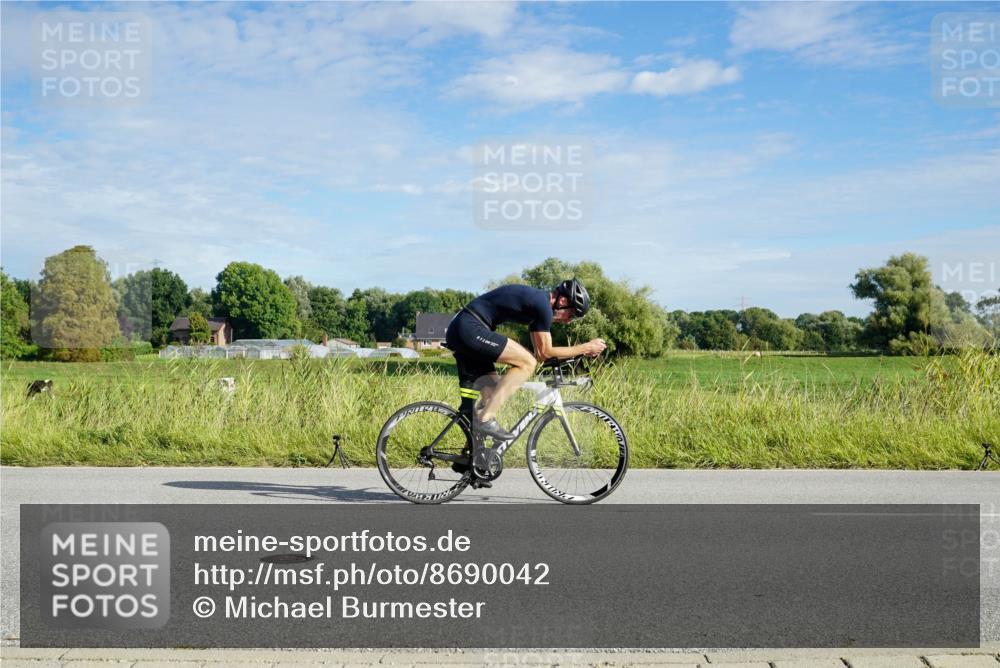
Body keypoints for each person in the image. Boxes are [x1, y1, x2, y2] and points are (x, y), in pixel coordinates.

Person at [445, 279, 606, 442]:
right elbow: (545, 353)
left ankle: (473, 454)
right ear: (563, 301)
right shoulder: (543, 306)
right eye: (571, 315)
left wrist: (575, 354)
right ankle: (486, 418)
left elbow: (540, 353)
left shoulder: (538, 308)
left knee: (493, 391)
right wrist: (586, 348)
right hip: (470, 327)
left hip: (464, 327)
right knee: (527, 363)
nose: (568, 321)